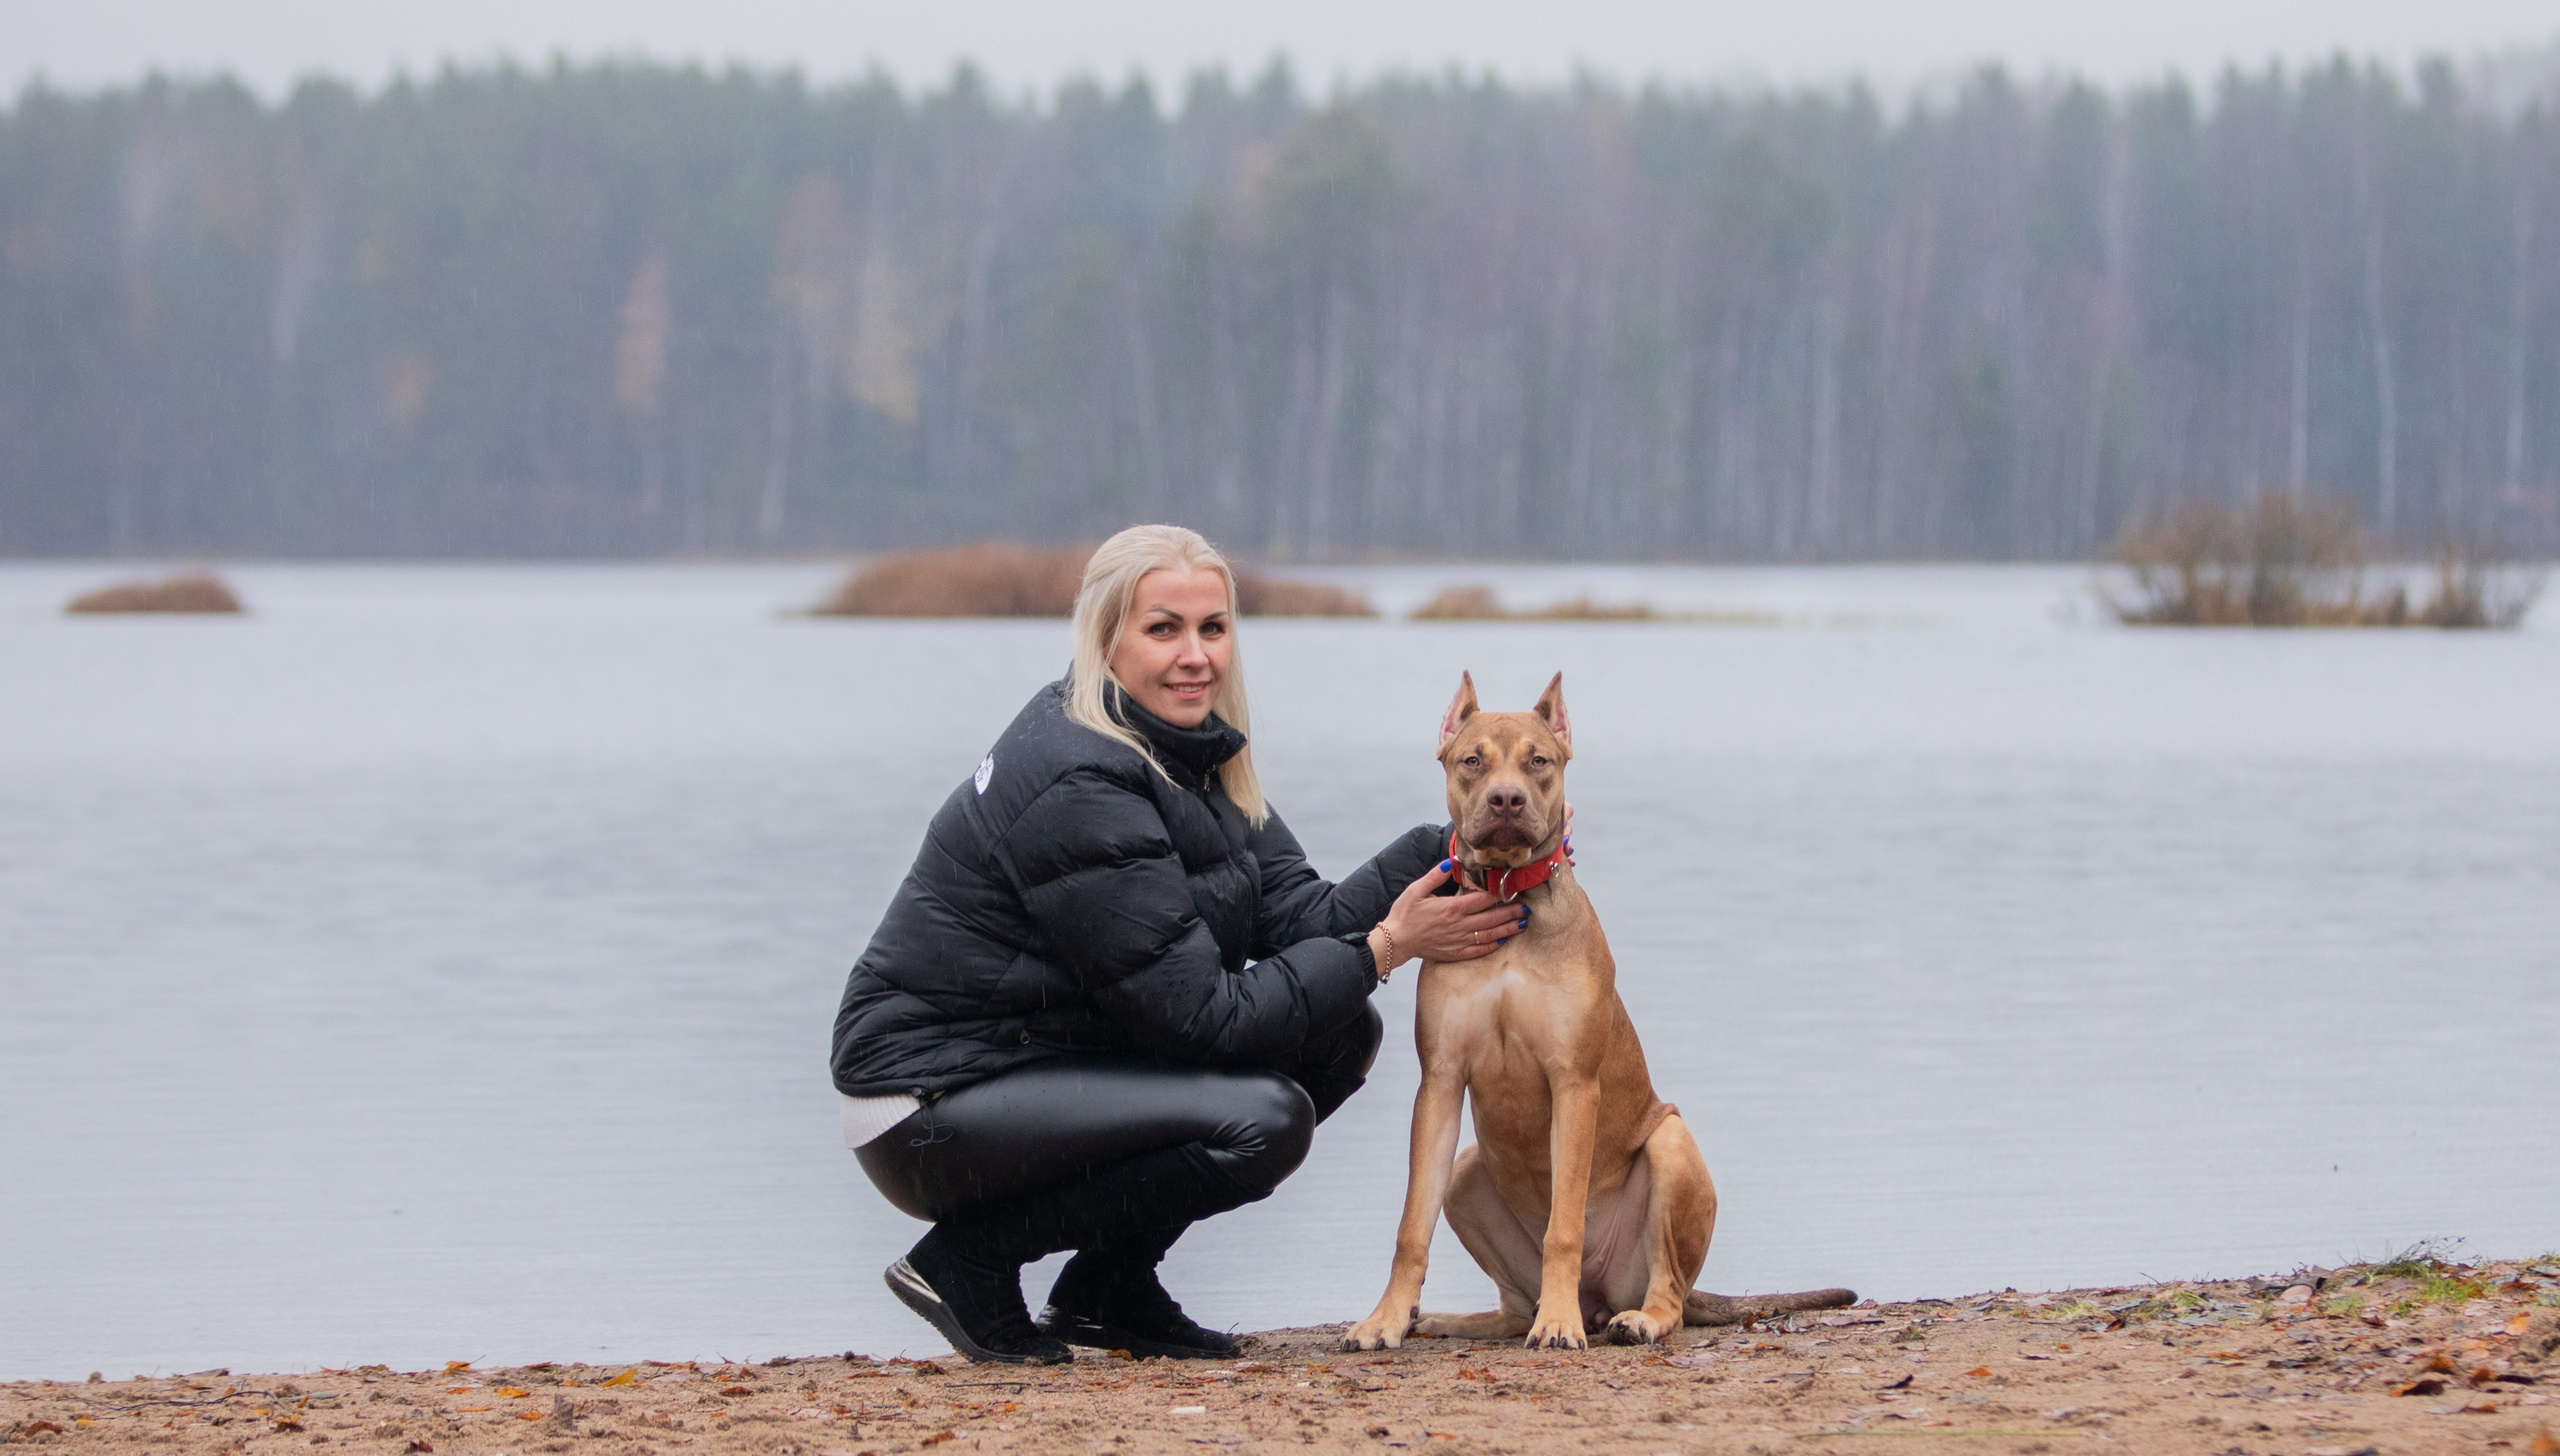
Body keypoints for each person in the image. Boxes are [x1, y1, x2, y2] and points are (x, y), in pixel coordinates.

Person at [830, 524, 1529, 1364]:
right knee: (1261, 1122)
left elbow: (1305, 920)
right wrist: (1387, 948)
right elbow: (1205, 1020)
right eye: (1163, 629)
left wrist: (1445, 846)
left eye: (1213, 628)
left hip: (1030, 1057)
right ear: (1105, 639)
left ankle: (1106, 1289)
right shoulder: (1079, 777)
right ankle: (968, 1260)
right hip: (925, 1101)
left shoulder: (1191, 752)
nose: (1194, 655)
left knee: (1340, 1032)